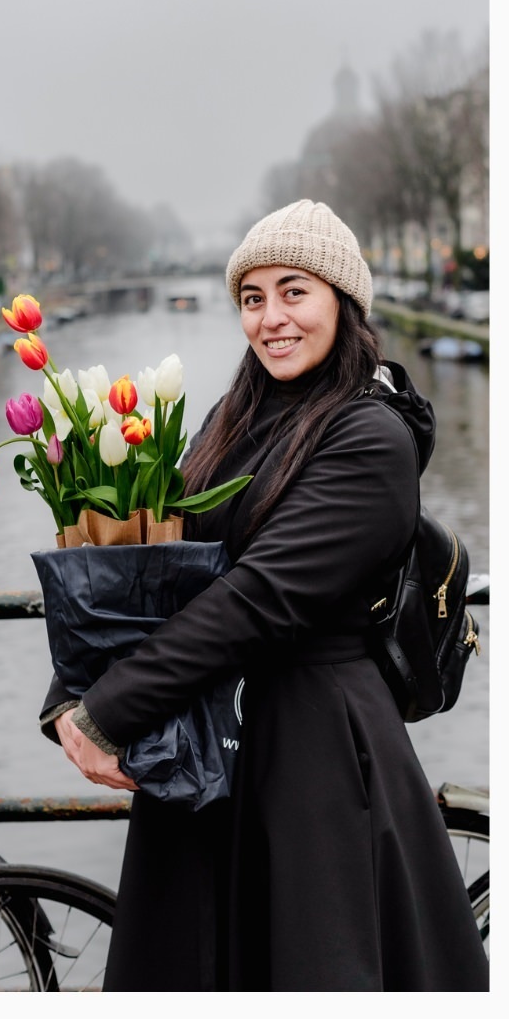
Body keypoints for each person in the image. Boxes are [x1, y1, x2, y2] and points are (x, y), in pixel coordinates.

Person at [41, 199, 489, 991]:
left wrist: (109, 710)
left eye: (294, 291)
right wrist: (71, 692)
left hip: (315, 750)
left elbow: (263, 597)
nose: (271, 318)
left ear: (343, 303)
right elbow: (161, 570)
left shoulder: (371, 435)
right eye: (252, 298)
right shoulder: (232, 416)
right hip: (207, 744)